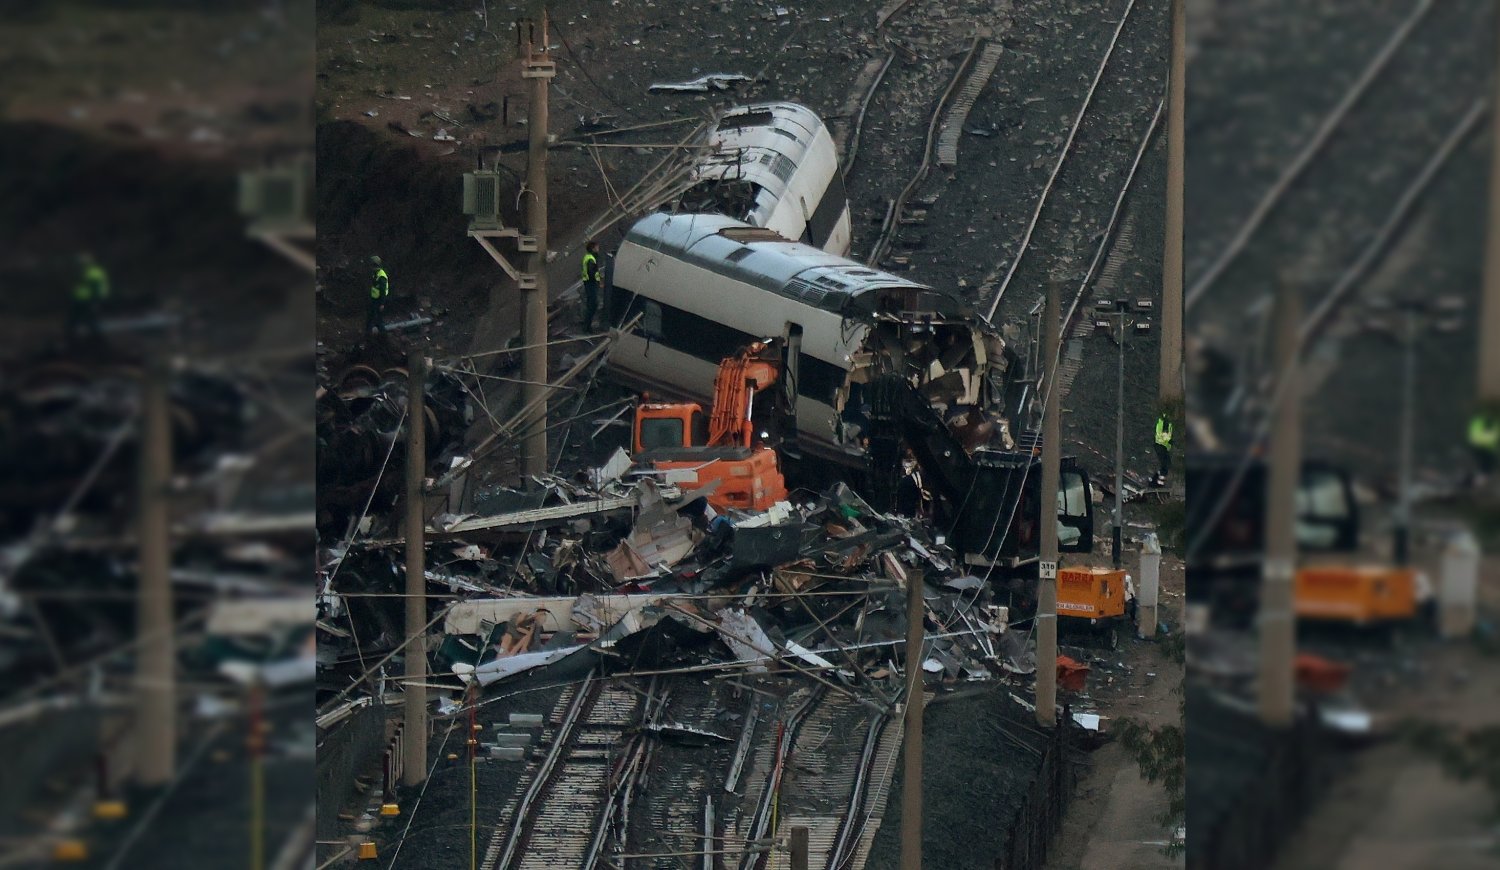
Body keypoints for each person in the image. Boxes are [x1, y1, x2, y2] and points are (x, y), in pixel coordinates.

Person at [69, 252, 108, 341]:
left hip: (88, 300)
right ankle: (75, 337)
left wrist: (95, 301)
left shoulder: (93, 272)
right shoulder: (85, 271)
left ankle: (96, 339)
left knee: (90, 321)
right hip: (80, 299)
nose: (81, 262)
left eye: (83, 260)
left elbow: (96, 288)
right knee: (77, 320)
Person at [1469, 409, 1498, 484]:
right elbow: (1476, 437)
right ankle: (1480, 482)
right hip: (1481, 449)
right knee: (1484, 468)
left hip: (1489, 450)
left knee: (1488, 468)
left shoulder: (1494, 422)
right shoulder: (1479, 422)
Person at [580, 240, 601, 332]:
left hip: (589, 283)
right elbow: (592, 272)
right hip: (591, 284)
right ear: (593, 248)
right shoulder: (591, 259)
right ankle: (587, 327)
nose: (598, 249)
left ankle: (587, 325)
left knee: (591, 304)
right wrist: (598, 280)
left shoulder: (588, 257)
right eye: (597, 247)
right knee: (593, 305)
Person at [366, 255, 389, 335]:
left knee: (378, 319)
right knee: (371, 316)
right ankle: (368, 332)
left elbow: (382, 291)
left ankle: (383, 335)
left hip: (379, 300)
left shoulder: (381, 276)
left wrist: (382, 303)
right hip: (374, 299)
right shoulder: (376, 273)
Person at [1153, 412, 1174, 486]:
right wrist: (1169, 440)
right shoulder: (1164, 421)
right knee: (1165, 464)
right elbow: (1162, 434)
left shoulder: (1168, 422)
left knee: (1166, 464)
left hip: (1163, 446)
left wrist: (1169, 444)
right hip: (1160, 445)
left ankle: (1158, 481)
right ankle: (1158, 482)